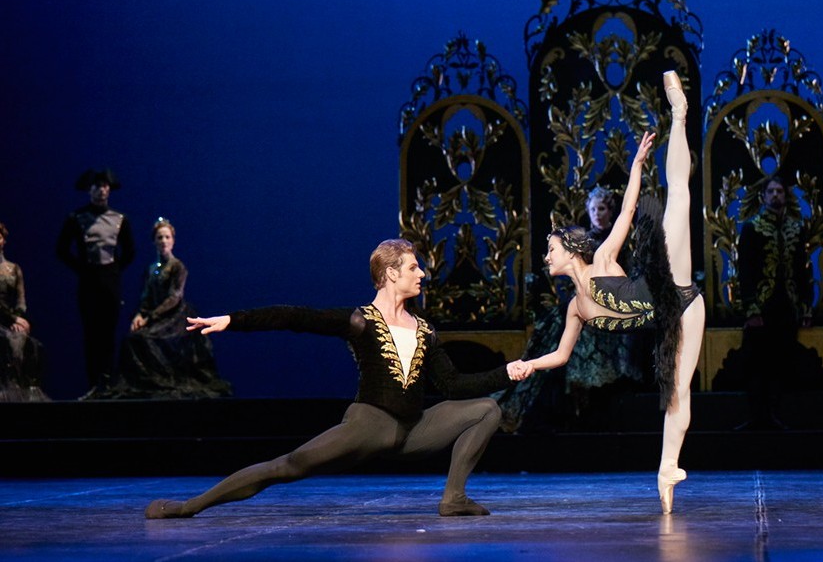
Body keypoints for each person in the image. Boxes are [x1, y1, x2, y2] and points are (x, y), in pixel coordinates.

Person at [145, 238, 529, 520]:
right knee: (288, 465)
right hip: (369, 427)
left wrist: (505, 372)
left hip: (414, 431)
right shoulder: (360, 321)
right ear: (391, 273)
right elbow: (295, 317)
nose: (422, 274)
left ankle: (454, 498)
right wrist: (233, 320)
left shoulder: (426, 329)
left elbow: (452, 386)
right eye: (414, 267)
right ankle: (189, 506)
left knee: (485, 409)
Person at [513, 71, 706, 515]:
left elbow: (626, 211)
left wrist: (637, 166)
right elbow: (561, 357)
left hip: (671, 284)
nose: (546, 256)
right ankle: (667, 469)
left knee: (678, 196)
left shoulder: (602, 259)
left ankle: (679, 115)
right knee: (677, 391)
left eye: (551, 248)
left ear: (571, 250)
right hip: (680, 317)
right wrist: (528, 364)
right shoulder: (575, 308)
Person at [100, 218, 231, 399]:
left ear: (173, 240)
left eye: (167, 237)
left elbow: (174, 297)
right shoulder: (152, 268)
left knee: (149, 340)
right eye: (160, 237)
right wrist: (140, 314)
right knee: (132, 339)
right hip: (155, 316)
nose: (163, 241)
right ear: (154, 241)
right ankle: (143, 385)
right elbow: (146, 296)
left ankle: (163, 383)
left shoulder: (177, 266)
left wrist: (150, 317)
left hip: (174, 317)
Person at [735, 176, 813, 430]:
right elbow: (744, 271)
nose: (776, 195)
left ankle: (775, 415)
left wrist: (805, 306)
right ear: (764, 196)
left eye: (780, 191)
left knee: (781, 361)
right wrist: (751, 309)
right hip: (762, 305)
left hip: (786, 304)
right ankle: (757, 416)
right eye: (772, 191)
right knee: (757, 362)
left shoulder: (796, 228)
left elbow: (803, 271)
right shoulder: (753, 228)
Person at [56, 168, 135, 397]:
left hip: (110, 281)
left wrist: (115, 269)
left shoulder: (120, 219)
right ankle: (94, 384)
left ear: (109, 190)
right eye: (97, 186)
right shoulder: (77, 218)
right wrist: (81, 268)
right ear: (89, 189)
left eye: (104, 186)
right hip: (88, 281)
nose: (101, 190)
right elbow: (61, 250)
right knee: (91, 333)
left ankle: (108, 383)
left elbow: (130, 251)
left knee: (108, 333)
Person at [0, 221, 49, 402]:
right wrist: (12, 319)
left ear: (4, 240)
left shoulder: (14, 268)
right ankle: (7, 390)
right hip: (3, 320)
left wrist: (20, 318)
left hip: (11, 321)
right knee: (7, 342)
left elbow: (21, 300)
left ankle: (27, 391)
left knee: (34, 346)